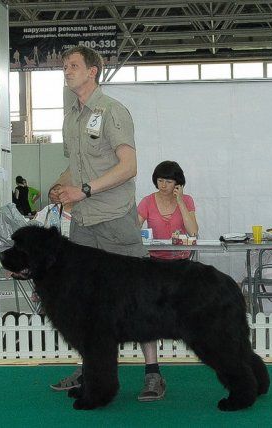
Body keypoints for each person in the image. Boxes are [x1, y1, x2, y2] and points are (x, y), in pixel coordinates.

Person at [48, 45, 165, 402]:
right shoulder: (71, 116)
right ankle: (92, 372)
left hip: (115, 219)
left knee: (138, 297)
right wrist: (60, 186)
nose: (66, 71)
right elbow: (77, 167)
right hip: (82, 222)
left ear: (93, 71)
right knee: (86, 302)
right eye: (64, 66)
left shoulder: (112, 111)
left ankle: (153, 374)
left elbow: (129, 167)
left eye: (73, 66)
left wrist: (83, 190)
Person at [138, 161, 199, 260]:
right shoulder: (147, 201)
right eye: (160, 180)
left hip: (181, 259)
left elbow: (193, 232)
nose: (163, 185)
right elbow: (135, 227)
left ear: (177, 183)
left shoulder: (187, 200)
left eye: (169, 182)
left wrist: (180, 202)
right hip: (154, 259)